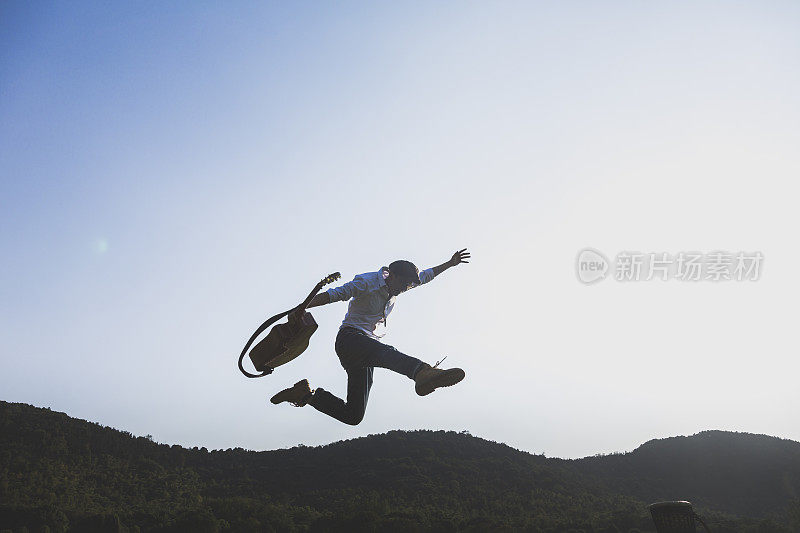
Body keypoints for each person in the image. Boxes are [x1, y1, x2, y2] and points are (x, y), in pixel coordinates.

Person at [269, 249, 470, 425]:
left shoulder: (401, 285)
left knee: (353, 415)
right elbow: (335, 294)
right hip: (350, 340)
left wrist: (450, 264)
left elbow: (426, 276)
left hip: (365, 352)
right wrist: (302, 306)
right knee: (385, 353)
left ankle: (306, 395)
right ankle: (422, 372)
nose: (405, 288)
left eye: (409, 285)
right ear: (391, 276)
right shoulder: (368, 282)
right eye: (404, 283)